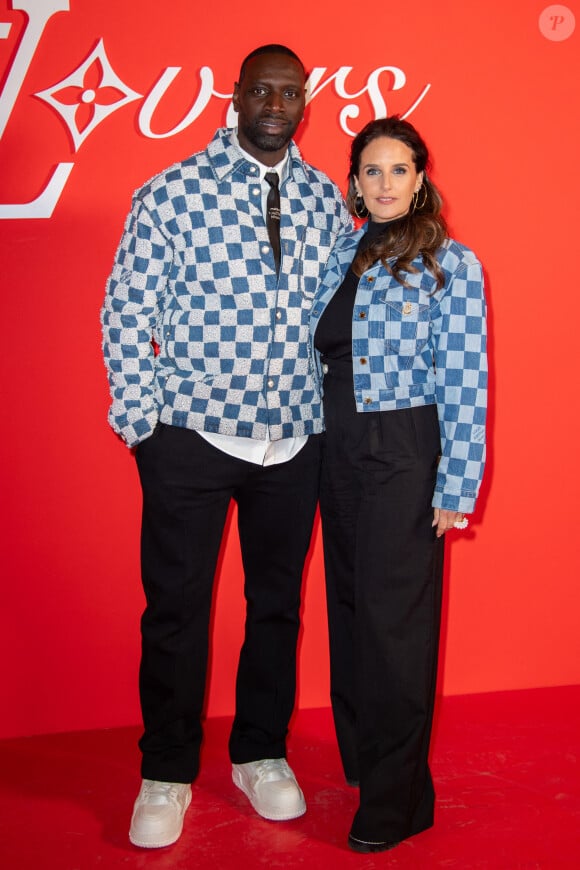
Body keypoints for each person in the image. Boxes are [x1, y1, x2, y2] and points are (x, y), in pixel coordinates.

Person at [101, 43, 350, 849]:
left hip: (294, 442)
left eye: (291, 92)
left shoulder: (321, 199)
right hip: (193, 439)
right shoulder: (170, 194)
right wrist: (144, 428)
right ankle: (166, 770)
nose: (277, 103)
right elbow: (125, 311)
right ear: (236, 95)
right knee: (176, 611)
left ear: (304, 102)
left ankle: (260, 752)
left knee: (275, 605)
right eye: (263, 90)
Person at [309, 117, 487, 853]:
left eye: (398, 170)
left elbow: (466, 377)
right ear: (354, 182)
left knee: (394, 627)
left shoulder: (451, 261)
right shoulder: (338, 256)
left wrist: (457, 483)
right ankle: (364, 761)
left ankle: (400, 798)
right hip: (335, 443)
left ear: (421, 179)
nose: (384, 184)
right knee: (349, 609)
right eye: (371, 171)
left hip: (406, 446)